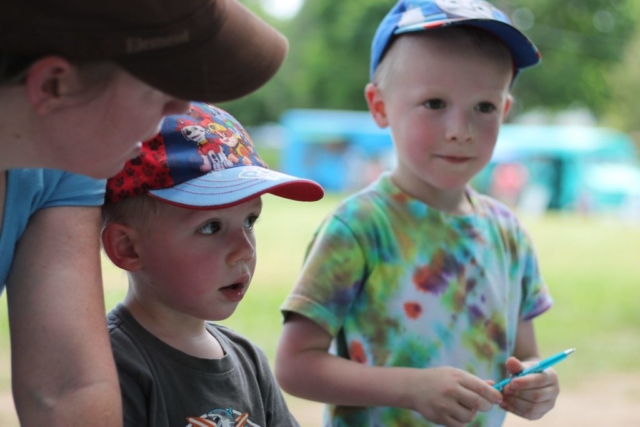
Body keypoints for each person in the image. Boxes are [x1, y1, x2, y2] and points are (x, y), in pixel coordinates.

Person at [0, 0, 288, 424]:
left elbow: (68, 389)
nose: (181, 107)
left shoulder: (71, 165)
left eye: (251, 220)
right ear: (54, 86)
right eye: (160, 83)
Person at [275, 1, 559, 426]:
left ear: (504, 111)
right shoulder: (359, 227)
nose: (459, 130)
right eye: (434, 103)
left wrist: (536, 384)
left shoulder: (509, 234)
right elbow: (295, 365)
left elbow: (525, 353)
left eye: (483, 106)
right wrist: (410, 388)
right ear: (380, 107)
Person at [101, 102, 324, 427]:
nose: (244, 251)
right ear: (128, 248)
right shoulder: (111, 365)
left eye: (250, 221)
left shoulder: (249, 361)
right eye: (211, 227)